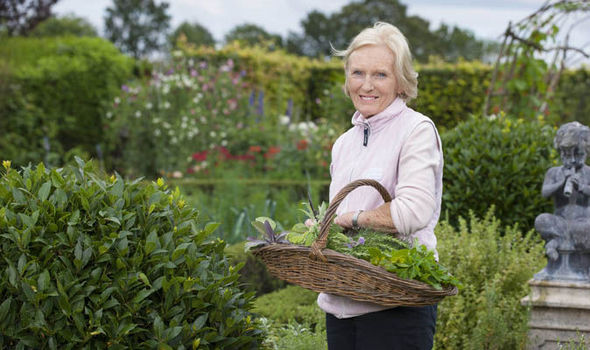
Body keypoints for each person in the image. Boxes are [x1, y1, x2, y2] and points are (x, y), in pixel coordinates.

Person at [318, 22, 443, 350]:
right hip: (342, 304)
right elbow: (339, 214)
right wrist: (323, 227)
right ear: (347, 79)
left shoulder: (416, 131)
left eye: (380, 75)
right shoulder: (344, 143)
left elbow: (413, 211)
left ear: (401, 81)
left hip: (396, 302)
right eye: (357, 73)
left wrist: (354, 218)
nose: (366, 85)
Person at [534, 121, 590, 277]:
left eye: (577, 154)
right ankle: (558, 242)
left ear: (586, 151)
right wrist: (561, 183)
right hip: (561, 222)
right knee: (541, 220)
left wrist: (582, 187)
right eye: (566, 154)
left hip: (583, 223)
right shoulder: (554, 172)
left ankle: (556, 243)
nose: (572, 160)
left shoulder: (589, 172)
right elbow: (545, 193)